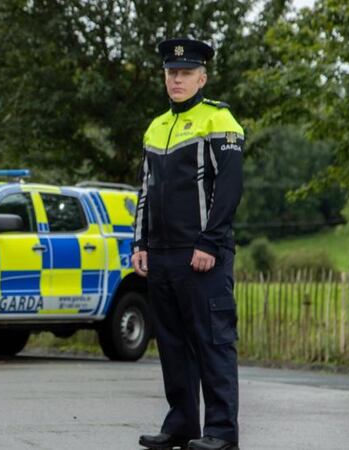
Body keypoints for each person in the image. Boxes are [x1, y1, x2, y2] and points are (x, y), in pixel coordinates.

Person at [132, 38, 244, 450]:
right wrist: (139, 242)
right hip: (160, 256)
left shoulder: (221, 121)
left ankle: (221, 432)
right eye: (171, 73)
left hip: (202, 254)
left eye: (185, 73)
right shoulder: (156, 126)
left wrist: (210, 244)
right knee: (173, 345)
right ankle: (181, 424)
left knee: (213, 342)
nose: (176, 80)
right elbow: (145, 189)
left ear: (203, 77)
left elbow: (229, 190)